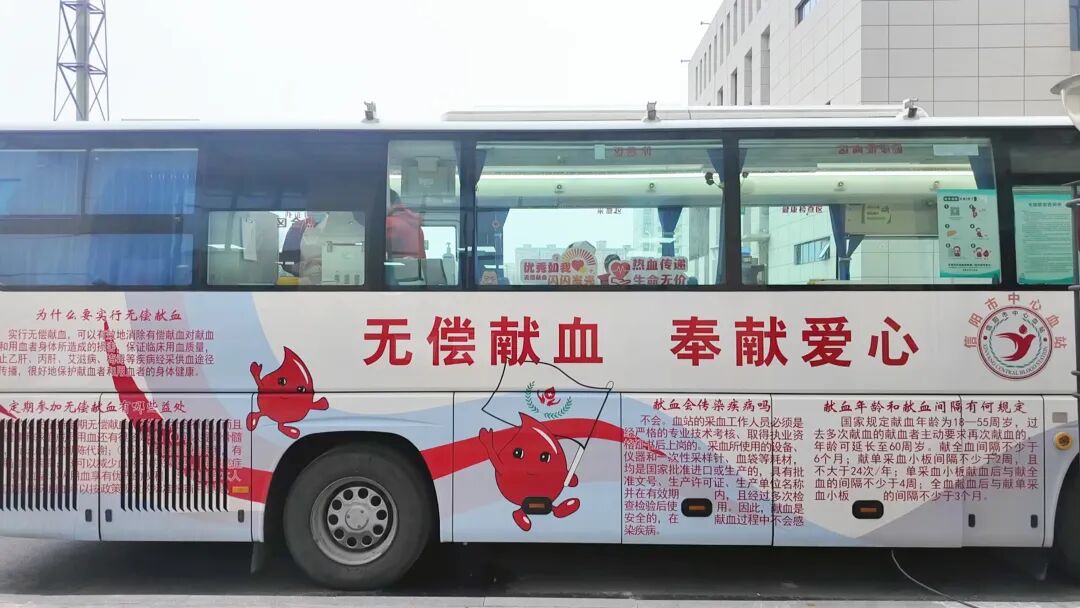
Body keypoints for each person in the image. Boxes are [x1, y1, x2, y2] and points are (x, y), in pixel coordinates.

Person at [386, 189, 426, 260]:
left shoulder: (389, 223)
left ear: (387, 203)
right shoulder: (415, 225)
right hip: (414, 266)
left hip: (398, 266)